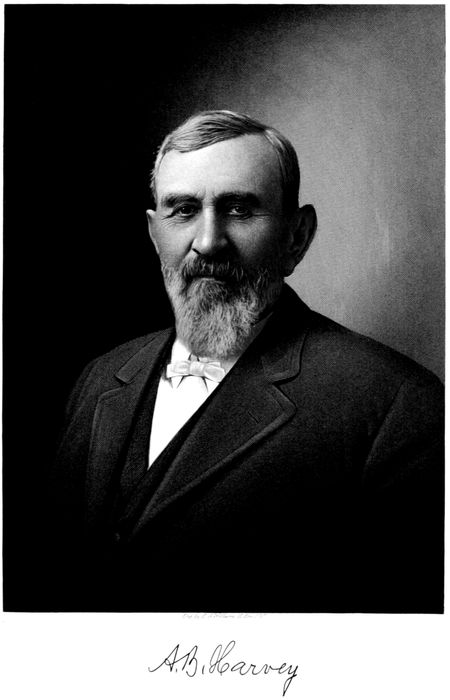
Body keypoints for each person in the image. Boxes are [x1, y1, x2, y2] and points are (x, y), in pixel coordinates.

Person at [48, 110, 443, 613]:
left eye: (238, 209)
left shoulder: (398, 406)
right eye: (183, 210)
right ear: (154, 233)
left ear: (297, 236)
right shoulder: (101, 377)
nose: (208, 242)